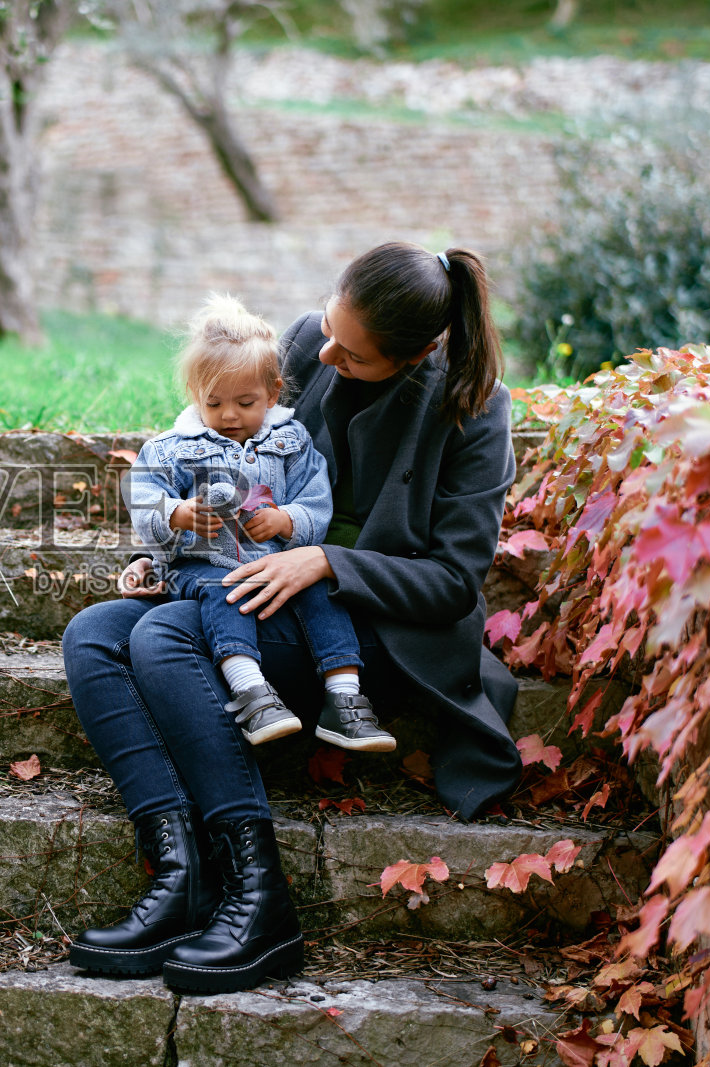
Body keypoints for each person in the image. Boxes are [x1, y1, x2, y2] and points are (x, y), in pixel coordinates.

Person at [63, 242, 522, 994]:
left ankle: (260, 895)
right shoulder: (308, 342)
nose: (325, 351)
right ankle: (180, 874)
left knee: (166, 636)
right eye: (331, 327)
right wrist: (177, 553)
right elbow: (225, 454)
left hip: (365, 627)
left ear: (420, 353)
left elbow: (453, 582)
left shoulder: (474, 407)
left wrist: (327, 562)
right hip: (248, 583)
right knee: (94, 635)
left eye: (355, 354)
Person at [125, 293, 395, 751]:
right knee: (226, 590)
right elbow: (142, 498)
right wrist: (180, 514)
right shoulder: (171, 448)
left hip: (280, 564)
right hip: (202, 566)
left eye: (246, 402)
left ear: (272, 393)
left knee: (325, 593)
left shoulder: (292, 442)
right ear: (196, 397)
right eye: (214, 403)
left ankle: (345, 700)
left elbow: (316, 500)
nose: (229, 415)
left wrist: (286, 521)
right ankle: (250, 691)